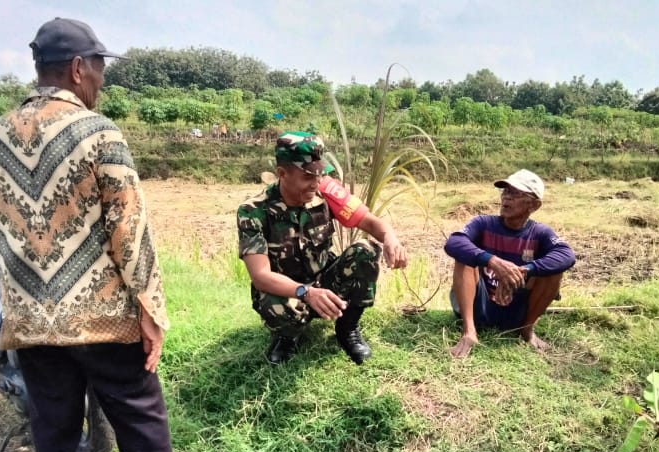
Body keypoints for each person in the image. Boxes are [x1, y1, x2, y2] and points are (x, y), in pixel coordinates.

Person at [0, 17, 184, 452]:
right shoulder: (98, 132)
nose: (100, 80)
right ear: (77, 68)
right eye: (98, 68)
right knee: (140, 416)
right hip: (101, 317)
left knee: (53, 429)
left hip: (30, 320)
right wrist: (151, 309)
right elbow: (129, 231)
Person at [237, 131, 407, 365]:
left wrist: (390, 237)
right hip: (287, 290)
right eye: (308, 176)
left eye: (319, 174)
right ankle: (287, 337)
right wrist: (306, 292)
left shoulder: (326, 191)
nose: (316, 183)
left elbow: (369, 222)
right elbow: (261, 276)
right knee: (273, 304)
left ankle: (347, 328)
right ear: (282, 173)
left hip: (325, 280)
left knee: (365, 251)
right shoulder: (253, 211)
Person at [444, 169, 575, 358]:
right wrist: (493, 261)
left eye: (515, 193)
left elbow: (566, 255)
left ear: (534, 205)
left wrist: (524, 271)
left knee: (554, 272)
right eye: (505, 191)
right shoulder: (483, 223)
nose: (506, 197)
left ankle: (526, 329)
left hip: (517, 312)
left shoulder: (540, 233)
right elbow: (454, 242)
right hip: (480, 306)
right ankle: (469, 331)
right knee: (464, 259)